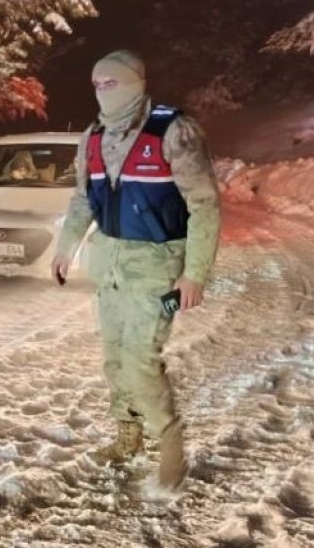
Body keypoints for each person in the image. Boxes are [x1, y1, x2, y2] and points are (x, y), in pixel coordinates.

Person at [51, 49, 221, 492]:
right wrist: (66, 246)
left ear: (136, 82)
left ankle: (171, 447)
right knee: (114, 358)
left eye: (113, 82)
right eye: (97, 84)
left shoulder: (174, 131)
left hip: (156, 265)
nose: (103, 91)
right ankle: (128, 435)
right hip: (108, 264)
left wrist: (195, 274)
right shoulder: (92, 136)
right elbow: (84, 200)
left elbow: (204, 206)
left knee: (140, 361)